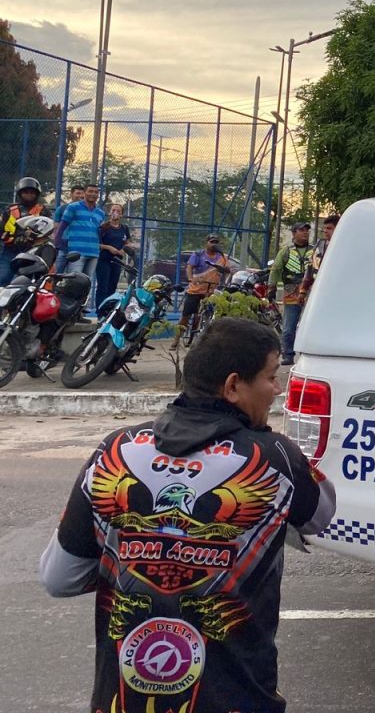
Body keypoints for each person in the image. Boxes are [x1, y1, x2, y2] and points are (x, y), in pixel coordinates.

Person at [39, 318, 335, 713]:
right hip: (239, 699)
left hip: (121, 700)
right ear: (233, 386)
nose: (277, 389)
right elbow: (321, 516)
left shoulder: (114, 450)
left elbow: (59, 578)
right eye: (270, 377)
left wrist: (133, 558)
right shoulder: (274, 458)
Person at [172, 234, 230, 348]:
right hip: (195, 290)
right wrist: (190, 278)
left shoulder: (222, 257)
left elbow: (228, 271)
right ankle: (176, 339)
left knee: (214, 314)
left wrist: (225, 275)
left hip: (212, 291)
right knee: (186, 315)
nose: (214, 244)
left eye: (216, 242)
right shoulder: (198, 254)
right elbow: (189, 267)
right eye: (212, 242)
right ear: (206, 243)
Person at [56, 183, 105, 312]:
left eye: (96, 192)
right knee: (74, 281)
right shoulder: (73, 207)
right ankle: (67, 310)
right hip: (77, 251)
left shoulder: (100, 213)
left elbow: (98, 231)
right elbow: (62, 225)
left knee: (87, 282)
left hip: (93, 252)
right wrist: (59, 242)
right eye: (90, 191)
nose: (93, 194)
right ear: (85, 193)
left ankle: (80, 312)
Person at [270, 222, 314, 366]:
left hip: (311, 291)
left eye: (307, 230)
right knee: (289, 327)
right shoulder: (285, 252)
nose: (305, 232)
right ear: (294, 233)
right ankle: (288, 354)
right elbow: (276, 269)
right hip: (291, 291)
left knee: (310, 325)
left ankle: (309, 354)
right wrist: (271, 287)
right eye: (301, 230)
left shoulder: (315, 251)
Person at [1, 176, 48, 287]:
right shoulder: (9, 210)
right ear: (20, 193)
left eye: (32, 192)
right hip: (10, 249)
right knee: (3, 277)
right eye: (26, 192)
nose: (29, 195)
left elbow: (48, 231)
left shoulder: (43, 211)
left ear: (37, 194)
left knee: (27, 281)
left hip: (33, 251)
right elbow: (2, 229)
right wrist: (13, 237)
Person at [96, 203, 133, 312]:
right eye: (113, 210)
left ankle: (109, 311)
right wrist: (108, 248)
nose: (115, 213)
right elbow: (97, 244)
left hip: (117, 261)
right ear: (109, 212)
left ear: (122, 214)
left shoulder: (124, 228)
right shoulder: (103, 227)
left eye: (118, 211)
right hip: (104, 260)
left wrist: (123, 250)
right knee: (103, 287)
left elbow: (127, 242)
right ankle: (100, 311)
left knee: (112, 286)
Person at [302, 213, 339, 295]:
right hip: (317, 289)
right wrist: (303, 290)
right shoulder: (319, 244)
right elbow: (310, 267)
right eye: (324, 228)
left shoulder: (345, 246)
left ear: (339, 228)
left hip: (337, 289)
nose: (325, 231)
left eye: (329, 228)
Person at [53, 184, 85, 272]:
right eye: (77, 193)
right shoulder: (61, 209)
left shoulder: (86, 210)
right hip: (63, 246)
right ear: (71, 194)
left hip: (79, 247)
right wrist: (57, 242)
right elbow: (56, 227)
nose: (80, 196)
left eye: (82, 194)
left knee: (74, 274)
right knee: (58, 272)